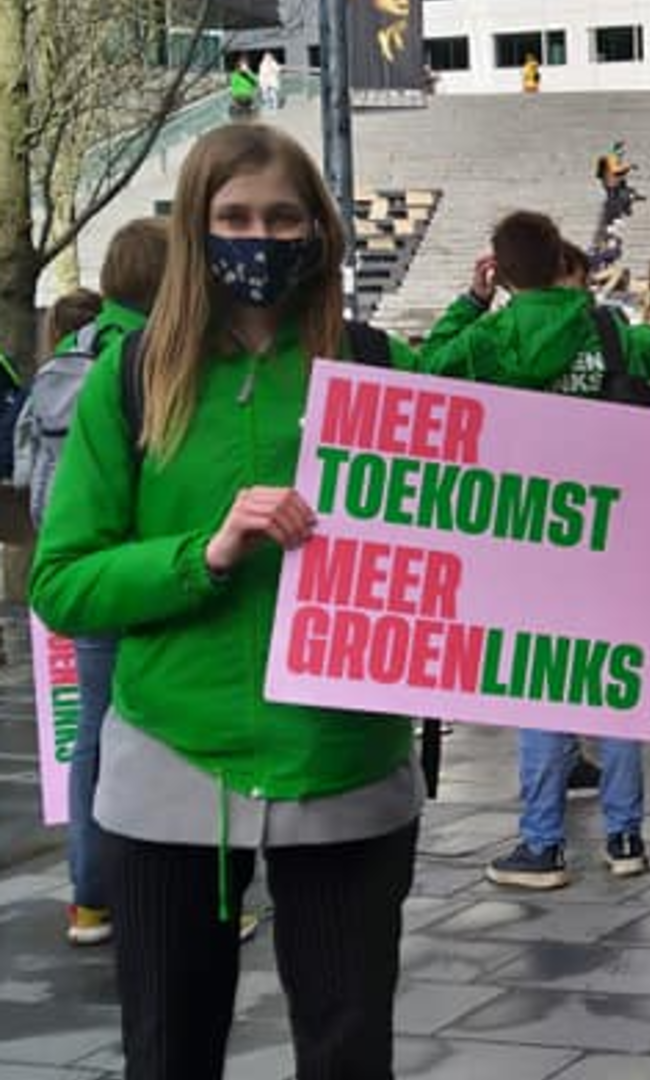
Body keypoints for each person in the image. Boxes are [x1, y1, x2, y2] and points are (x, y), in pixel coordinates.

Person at [31, 122, 424, 1080]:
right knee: (168, 1053)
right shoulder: (129, 381)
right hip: (171, 773)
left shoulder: (378, 366)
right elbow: (63, 582)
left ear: (320, 230)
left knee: (348, 1055)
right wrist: (200, 555)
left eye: (284, 217)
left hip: (346, 768)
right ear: (194, 231)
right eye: (234, 216)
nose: (260, 237)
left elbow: (517, 530)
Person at [416, 211, 650, 889]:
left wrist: (473, 301)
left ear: (500, 271)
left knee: (539, 682)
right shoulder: (610, 329)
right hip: (614, 528)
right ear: (562, 258)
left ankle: (544, 842)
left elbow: (430, 365)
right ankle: (624, 836)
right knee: (615, 684)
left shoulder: (491, 337)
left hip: (531, 529)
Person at [21, 219, 167, 948]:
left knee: (93, 738)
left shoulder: (62, 363)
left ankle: (90, 898)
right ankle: (200, 899)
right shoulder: (154, 362)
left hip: (76, 575)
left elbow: (26, 476)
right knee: (182, 735)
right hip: (151, 576)